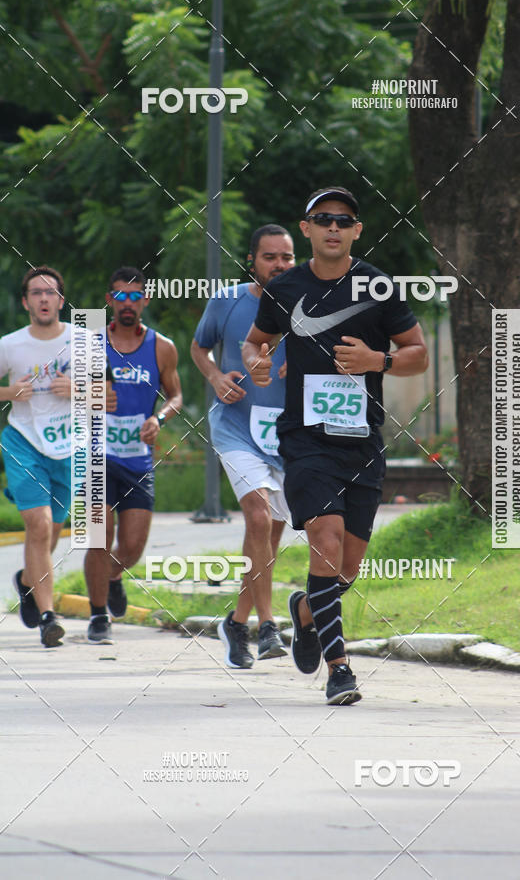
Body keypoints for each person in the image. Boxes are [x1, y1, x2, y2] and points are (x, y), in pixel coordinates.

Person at [242, 188, 428, 704]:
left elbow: (418, 355)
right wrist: (257, 360)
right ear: (306, 229)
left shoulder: (378, 286)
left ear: (356, 231)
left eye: (343, 221)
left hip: (362, 441)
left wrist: (378, 361)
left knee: (345, 568)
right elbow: (256, 341)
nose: (333, 227)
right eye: (322, 219)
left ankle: (305, 610)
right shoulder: (286, 288)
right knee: (324, 538)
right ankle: (340, 668)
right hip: (305, 439)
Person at [191, 225, 295, 668]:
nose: (280, 265)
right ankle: (268, 626)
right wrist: (216, 378)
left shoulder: (308, 302)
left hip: (287, 433)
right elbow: (199, 349)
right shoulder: (228, 300)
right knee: (257, 513)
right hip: (235, 426)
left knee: (269, 533)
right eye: (270, 257)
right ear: (252, 260)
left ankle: (236, 622)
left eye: (287, 257)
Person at [83, 267, 182, 644]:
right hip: (95, 454)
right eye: (120, 297)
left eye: (135, 296)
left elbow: (176, 395)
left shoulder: (162, 347)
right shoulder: (90, 342)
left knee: (133, 547)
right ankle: (97, 617)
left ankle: (110, 578)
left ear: (145, 300)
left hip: (137, 458)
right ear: (110, 301)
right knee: (99, 537)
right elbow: (66, 391)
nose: (128, 303)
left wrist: (158, 417)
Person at [0, 266, 73, 647]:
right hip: (23, 441)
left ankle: (27, 582)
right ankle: (48, 618)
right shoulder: (10, 345)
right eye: (36, 292)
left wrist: (77, 388)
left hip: (67, 447)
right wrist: (9, 392)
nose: (44, 298)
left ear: (61, 300)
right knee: (39, 525)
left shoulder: (84, 341)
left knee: (51, 534)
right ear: (26, 301)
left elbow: (108, 395)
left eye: (51, 292)